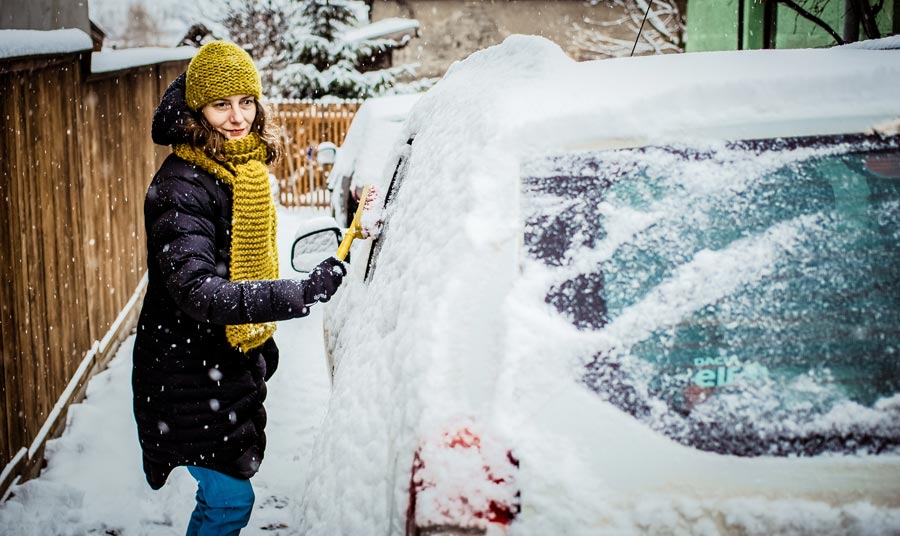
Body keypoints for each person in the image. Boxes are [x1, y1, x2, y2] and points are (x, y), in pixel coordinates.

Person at [132, 40, 346, 536]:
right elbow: (199, 290)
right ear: (197, 110)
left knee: (224, 497)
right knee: (229, 501)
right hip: (185, 373)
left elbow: (235, 267)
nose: (237, 117)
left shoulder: (238, 169)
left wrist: (258, 348)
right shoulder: (180, 185)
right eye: (221, 104)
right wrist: (297, 293)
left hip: (216, 365)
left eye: (246, 101)